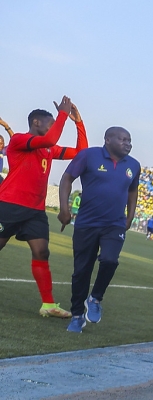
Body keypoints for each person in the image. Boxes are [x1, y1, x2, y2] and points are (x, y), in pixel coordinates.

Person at [0, 97, 87, 318]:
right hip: (9, 205)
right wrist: (62, 115)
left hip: (35, 211)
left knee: (42, 252)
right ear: (36, 123)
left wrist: (78, 122)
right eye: (50, 123)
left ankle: (48, 305)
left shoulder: (49, 149)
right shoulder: (20, 140)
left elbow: (81, 153)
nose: (54, 127)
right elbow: (50, 139)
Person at [56, 126, 140, 332]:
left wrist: (130, 217)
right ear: (108, 140)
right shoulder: (88, 155)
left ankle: (95, 298)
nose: (128, 144)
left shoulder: (134, 165)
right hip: (86, 223)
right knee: (81, 271)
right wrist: (64, 209)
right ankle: (76, 315)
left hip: (114, 224)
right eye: (123, 140)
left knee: (110, 260)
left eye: (129, 140)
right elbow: (67, 178)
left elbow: (133, 191)